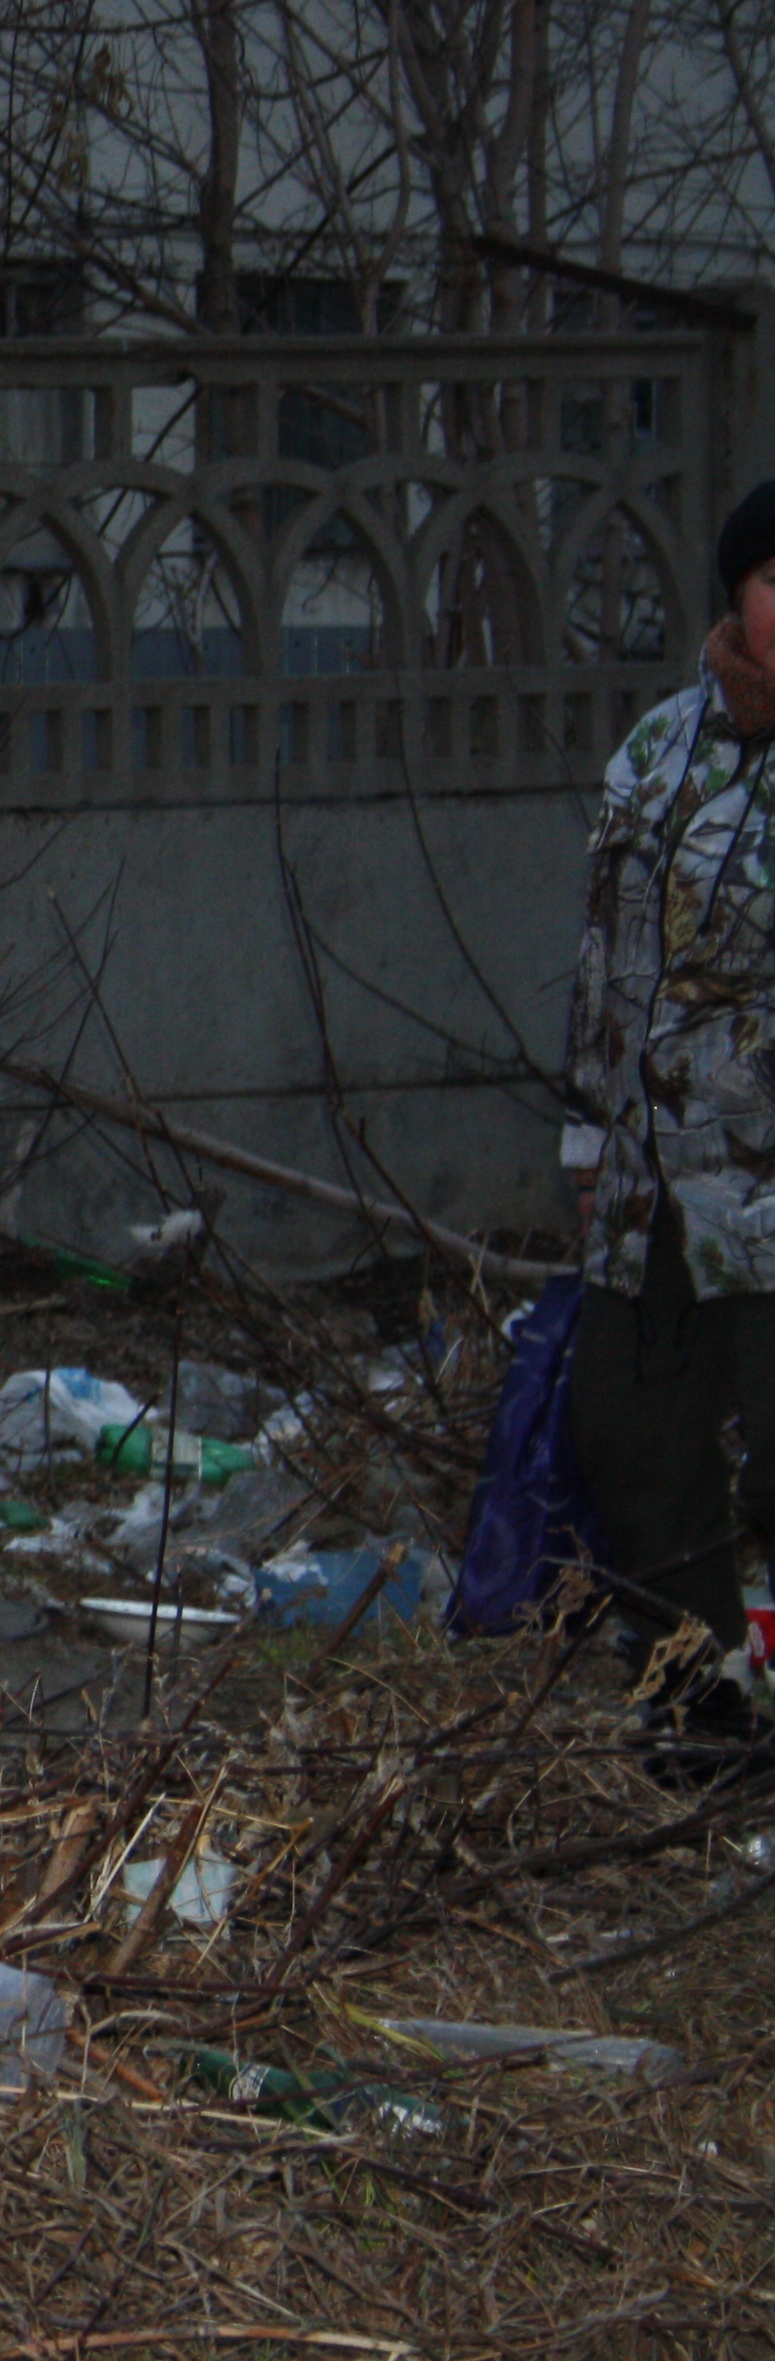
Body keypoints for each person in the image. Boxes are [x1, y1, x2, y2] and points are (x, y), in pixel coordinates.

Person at [561, 476, 775, 1779]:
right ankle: (701, 1703)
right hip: (651, 1184)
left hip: (768, 1185)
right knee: (631, 1440)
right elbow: (604, 961)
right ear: (736, 597)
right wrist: (587, 1146)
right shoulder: (657, 753)